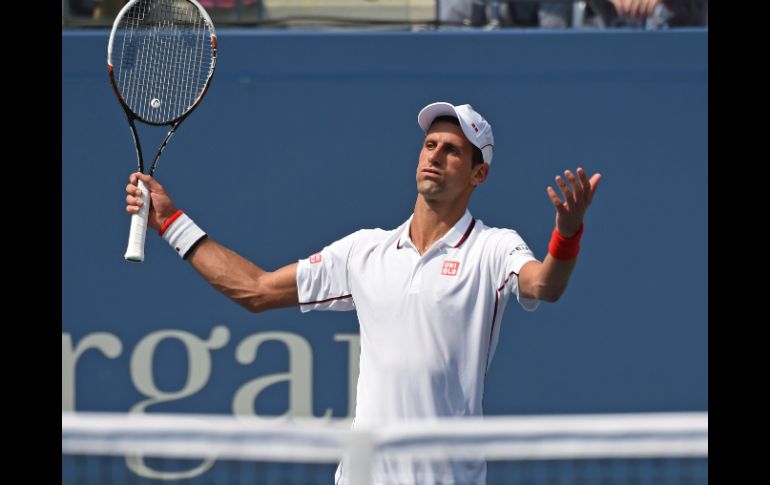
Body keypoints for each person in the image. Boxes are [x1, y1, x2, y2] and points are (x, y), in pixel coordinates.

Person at [124, 102, 601, 484]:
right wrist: (170, 221)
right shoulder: (363, 251)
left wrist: (568, 232)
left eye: (452, 150)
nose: (433, 155)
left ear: (479, 174)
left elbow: (545, 285)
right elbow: (256, 290)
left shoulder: (494, 248)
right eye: (429, 144)